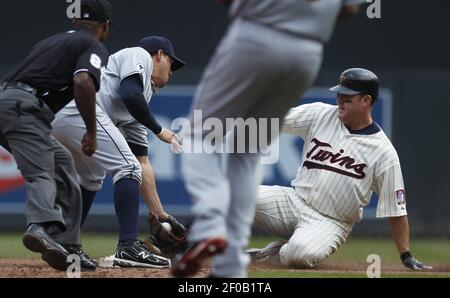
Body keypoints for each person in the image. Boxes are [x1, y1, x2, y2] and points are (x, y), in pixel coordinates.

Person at [172, 0, 366, 278]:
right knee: (248, 150)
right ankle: (231, 268)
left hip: (256, 36)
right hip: (307, 52)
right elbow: (349, 9)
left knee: (197, 136)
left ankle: (209, 227)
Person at [247, 68, 431, 271]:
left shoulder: (384, 153)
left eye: (347, 97)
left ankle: (265, 256)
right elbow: (276, 120)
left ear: (366, 101)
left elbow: (396, 211)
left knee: (298, 255)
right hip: (292, 201)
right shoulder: (320, 114)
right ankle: (210, 245)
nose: (340, 100)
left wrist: (406, 255)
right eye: (339, 94)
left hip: (329, 222)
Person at [52, 36, 186, 268]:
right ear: (160, 55)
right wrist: (159, 129)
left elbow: (142, 162)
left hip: (66, 118)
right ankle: (128, 247)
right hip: (80, 108)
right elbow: (130, 94)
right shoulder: (139, 54)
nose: (171, 73)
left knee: (93, 176)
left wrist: (160, 214)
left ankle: (65, 243)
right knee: (126, 167)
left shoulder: (141, 103)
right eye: (171, 64)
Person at [0, 0, 111, 271]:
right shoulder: (93, 45)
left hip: (8, 101)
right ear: (105, 27)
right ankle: (40, 227)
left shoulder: (50, 41)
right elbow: (83, 81)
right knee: (42, 172)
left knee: (62, 162)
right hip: (24, 108)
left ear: (75, 22)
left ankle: (69, 246)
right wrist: (91, 132)